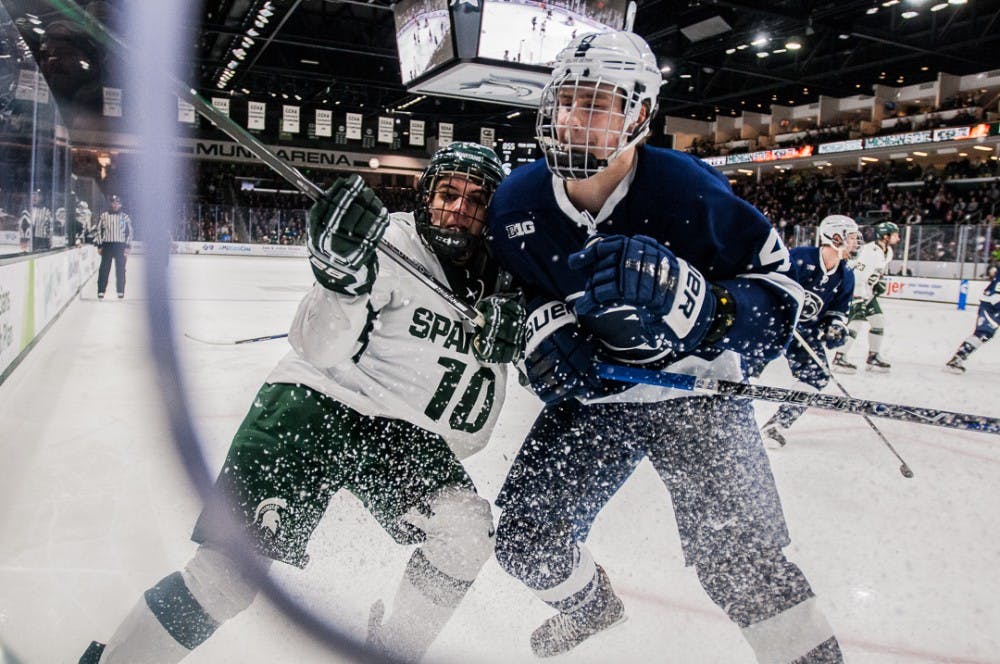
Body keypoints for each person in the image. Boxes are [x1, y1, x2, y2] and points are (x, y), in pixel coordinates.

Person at [80, 143, 525, 664]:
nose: (458, 210)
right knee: (226, 579)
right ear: (426, 196)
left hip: (400, 434)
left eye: (475, 200)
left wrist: (525, 329)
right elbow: (317, 346)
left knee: (466, 530)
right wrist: (340, 280)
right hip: (311, 407)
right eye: (448, 193)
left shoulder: (505, 278)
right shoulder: (388, 243)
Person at [486, 31, 842, 662]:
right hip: (594, 401)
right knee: (524, 539)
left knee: (742, 563)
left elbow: (781, 294)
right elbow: (511, 285)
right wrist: (537, 322)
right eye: (567, 101)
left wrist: (708, 310)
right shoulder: (517, 200)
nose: (575, 118)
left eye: (598, 104)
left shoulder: (689, 192)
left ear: (641, 115)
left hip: (699, 396)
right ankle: (590, 606)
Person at [761, 215, 859, 447]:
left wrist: (834, 327)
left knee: (817, 375)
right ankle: (724, 416)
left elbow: (838, 310)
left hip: (804, 334)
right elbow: (771, 283)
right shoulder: (799, 258)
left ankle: (776, 425)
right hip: (771, 325)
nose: (856, 242)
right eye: (852, 237)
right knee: (744, 369)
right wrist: (780, 312)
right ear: (836, 237)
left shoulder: (846, 275)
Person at [832, 220, 900, 373]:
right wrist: (858, 297)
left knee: (878, 321)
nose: (898, 238)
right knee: (856, 323)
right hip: (856, 292)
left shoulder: (888, 252)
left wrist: (878, 283)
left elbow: (876, 272)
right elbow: (856, 276)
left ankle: (873, 357)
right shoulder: (869, 252)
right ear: (885, 236)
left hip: (867, 292)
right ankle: (839, 358)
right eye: (895, 234)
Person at [944, 265, 999, 374]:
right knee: (983, 333)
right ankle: (956, 360)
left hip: (990, 301)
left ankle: (957, 359)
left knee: (983, 334)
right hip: (994, 303)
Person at [94, 195, 134, 299]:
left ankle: (120, 291)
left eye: (117, 203)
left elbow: (129, 232)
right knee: (104, 269)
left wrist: (128, 246)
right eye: (113, 202)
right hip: (107, 245)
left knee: (121, 269)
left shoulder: (125, 217)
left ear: (120, 204)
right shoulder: (104, 216)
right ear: (111, 204)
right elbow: (99, 230)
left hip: (120, 246)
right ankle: (101, 291)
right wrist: (99, 245)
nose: (115, 204)